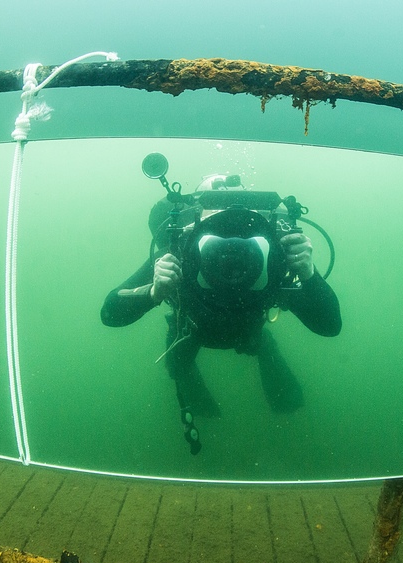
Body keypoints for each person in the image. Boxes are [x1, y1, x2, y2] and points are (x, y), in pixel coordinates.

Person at [101, 174, 341, 454]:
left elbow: (329, 325)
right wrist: (154, 292)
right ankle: (203, 408)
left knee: (260, 353)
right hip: (190, 330)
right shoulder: (180, 247)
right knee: (178, 365)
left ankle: (284, 409)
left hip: (249, 333)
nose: (231, 216)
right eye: (218, 204)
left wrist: (308, 273)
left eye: (240, 205)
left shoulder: (275, 250)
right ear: (198, 212)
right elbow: (110, 313)